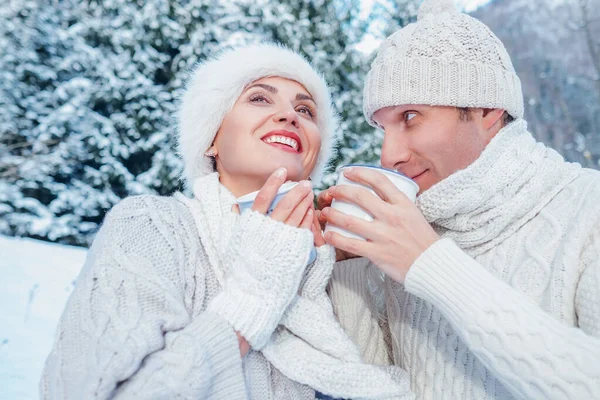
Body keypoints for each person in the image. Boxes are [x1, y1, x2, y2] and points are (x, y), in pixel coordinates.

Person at [40, 43, 413, 399]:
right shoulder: (155, 226)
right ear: (210, 139)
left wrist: (350, 277)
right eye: (259, 98)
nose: (289, 115)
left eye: (306, 111)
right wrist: (254, 296)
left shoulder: (329, 266)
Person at [319, 0, 600, 399]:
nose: (388, 154)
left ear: (487, 109)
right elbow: (379, 383)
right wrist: (350, 270)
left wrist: (428, 265)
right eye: (382, 127)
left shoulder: (588, 209)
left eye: (411, 117)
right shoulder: (410, 226)